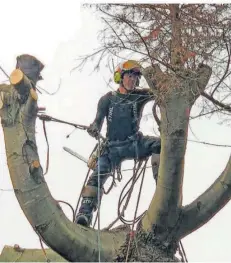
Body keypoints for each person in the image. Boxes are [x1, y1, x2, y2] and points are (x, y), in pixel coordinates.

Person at [75, 60, 161, 227]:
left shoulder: (140, 95)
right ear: (120, 77)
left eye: (136, 78)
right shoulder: (107, 99)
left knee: (160, 145)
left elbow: (160, 93)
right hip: (112, 148)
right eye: (130, 76)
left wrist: (156, 78)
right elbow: (97, 122)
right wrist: (93, 128)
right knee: (96, 177)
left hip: (134, 144)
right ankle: (84, 214)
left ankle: (162, 187)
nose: (133, 81)